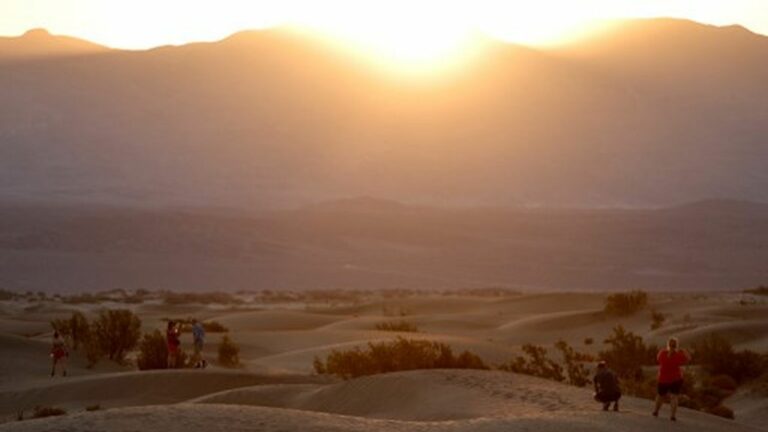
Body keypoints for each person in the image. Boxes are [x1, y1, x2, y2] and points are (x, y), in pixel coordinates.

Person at [653, 337, 690, 421]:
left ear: (668, 345)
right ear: (676, 345)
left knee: (660, 396)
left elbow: (658, 359)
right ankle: (672, 416)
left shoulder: (662, 353)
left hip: (663, 379)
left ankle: (656, 411)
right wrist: (684, 351)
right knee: (674, 397)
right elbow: (688, 359)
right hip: (676, 379)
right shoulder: (679, 355)